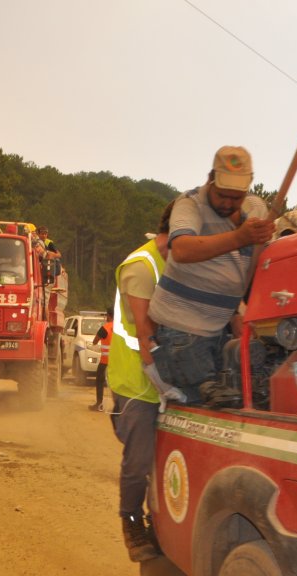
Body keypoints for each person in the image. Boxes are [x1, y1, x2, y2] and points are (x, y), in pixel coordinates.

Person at [147, 147, 274, 403]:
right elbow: (181, 249)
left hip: (220, 329)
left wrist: (239, 313)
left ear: (248, 187)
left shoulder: (256, 211)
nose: (227, 203)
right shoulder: (190, 204)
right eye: (222, 195)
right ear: (210, 179)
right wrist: (240, 237)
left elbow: (251, 268)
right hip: (182, 332)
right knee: (207, 403)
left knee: (245, 398)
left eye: (236, 197)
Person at [108, 202, 183, 562]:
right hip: (137, 383)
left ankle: (163, 523)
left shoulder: (179, 261)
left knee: (170, 460)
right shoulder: (141, 266)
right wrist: (160, 382)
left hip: (169, 377)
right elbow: (144, 331)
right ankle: (131, 521)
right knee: (139, 460)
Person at [89, 307, 113, 412]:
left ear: (108, 315)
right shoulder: (121, 328)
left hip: (105, 362)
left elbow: (95, 341)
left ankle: (99, 404)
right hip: (118, 362)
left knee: (100, 381)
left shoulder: (105, 328)